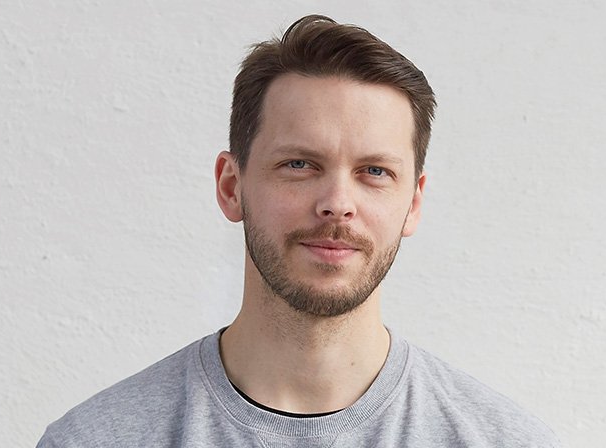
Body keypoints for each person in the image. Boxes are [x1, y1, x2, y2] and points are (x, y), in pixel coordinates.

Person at [37, 15, 561, 447]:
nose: (337, 204)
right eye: (300, 164)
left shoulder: (506, 441)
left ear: (413, 203)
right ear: (231, 186)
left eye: (374, 171)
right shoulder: (95, 439)